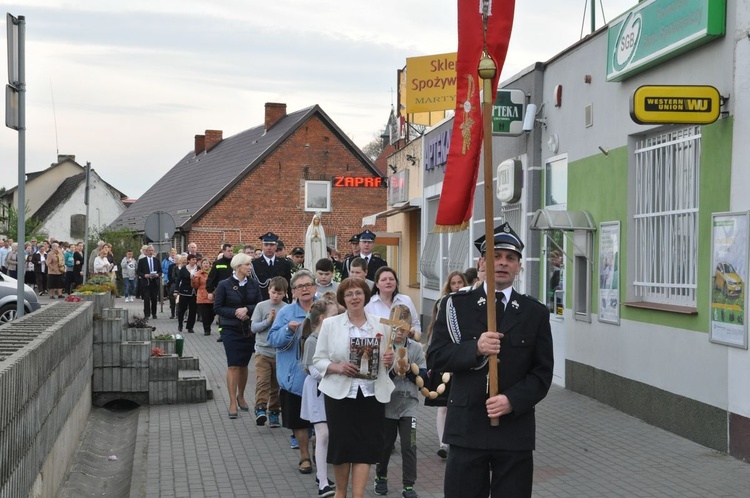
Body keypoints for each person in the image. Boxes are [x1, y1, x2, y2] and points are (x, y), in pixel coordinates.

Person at [426, 223, 554, 498]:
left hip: (513, 430)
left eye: (510, 258)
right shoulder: (455, 305)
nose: (503, 263)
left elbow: (542, 373)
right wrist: (475, 349)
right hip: (467, 425)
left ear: (519, 266)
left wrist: (512, 401)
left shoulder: (535, 313)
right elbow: (435, 357)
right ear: (482, 262)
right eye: (495, 256)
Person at [312, 277, 395, 498]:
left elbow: (391, 360)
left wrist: (390, 359)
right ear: (343, 299)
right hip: (340, 395)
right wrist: (336, 367)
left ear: (366, 296)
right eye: (349, 294)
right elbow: (318, 360)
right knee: (341, 449)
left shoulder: (382, 323)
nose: (354, 297)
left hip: (371, 394)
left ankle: (358, 496)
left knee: (365, 450)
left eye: (358, 293)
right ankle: (341, 493)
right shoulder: (331, 324)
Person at [267, 270, 319, 474]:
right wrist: (288, 329)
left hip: (323, 376)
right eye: (299, 286)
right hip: (295, 378)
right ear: (294, 292)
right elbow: (273, 341)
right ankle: (304, 455)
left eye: (308, 285)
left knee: (321, 419)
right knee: (299, 421)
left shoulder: (325, 307)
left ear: (315, 287)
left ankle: (319, 448)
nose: (305, 289)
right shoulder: (286, 312)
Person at [374, 305, 427, 498]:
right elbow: (375, 374)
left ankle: (408, 484)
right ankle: (381, 476)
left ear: (410, 328)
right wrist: (392, 369)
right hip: (388, 404)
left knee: (409, 444)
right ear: (389, 325)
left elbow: (423, 372)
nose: (398, 333)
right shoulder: (382, 345)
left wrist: (412, 373)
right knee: (386, 444)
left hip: (409, 405)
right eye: (395, 329)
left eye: (403, 329)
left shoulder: (415, 348)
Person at [424, 270, 468, 459]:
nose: (457, 286)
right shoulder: (443, 303)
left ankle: (458, 439)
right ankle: (443, 442)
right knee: (443, 405)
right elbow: (435, 330)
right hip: (445, 360)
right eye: (453, 283)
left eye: (460, 282)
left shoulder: (468, 303)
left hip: (462, 359)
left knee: (458, 402)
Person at [300, 299, 340, 498]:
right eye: (335, 316)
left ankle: (323, 475)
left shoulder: (335, 337)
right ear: (323, 319)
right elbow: (312, 369)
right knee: (322, 434)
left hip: (332, 390)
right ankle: (323, 482)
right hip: (317, 391)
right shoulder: (312, 340)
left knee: (328, 435)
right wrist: (335, 368)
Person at [213, 252, 261, 418]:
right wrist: (235, 312)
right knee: (233, 364)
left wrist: (247, 309)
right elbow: (217, 307)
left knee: (243, 365)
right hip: (230, 330)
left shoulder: (254, 284)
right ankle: (232, 402)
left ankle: (241, 396)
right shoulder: (224, 285)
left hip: (247, 330)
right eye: (247, 264)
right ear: (238, 266)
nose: (250, 267)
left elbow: (259, 305)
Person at [250, 276, 289, 428]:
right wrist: (268, 321)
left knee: (276, 384)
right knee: (263, 381)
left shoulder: (286, 308)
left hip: (279, 353)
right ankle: (260, 408)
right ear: (268, 291)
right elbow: (254, 327)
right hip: (263, 351)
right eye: (273, 292)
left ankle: (274, 411)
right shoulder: (261, 306)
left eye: (279, 294)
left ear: (285, 293)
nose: (275, 296)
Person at [365, 267, 421, 338]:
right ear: (377, 284)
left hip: (403, 346)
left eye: (391, 279)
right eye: (383, 280)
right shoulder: (368, 303)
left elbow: (416, 324)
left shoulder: (406, 300)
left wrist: (412, 333)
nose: (388, 282)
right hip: (379, 345)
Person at [252, 232, 293, 301]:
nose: (269, 248)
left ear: (276, 246)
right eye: (266, 245)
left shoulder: (284, 263)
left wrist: (291, 301)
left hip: (280, 301)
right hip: (262, 301)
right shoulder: (255, 264)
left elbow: (288, 285)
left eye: (271, 245)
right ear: (262, 246)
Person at [207, 243, 235, 342]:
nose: (231, 253)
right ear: (223, 251)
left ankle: (232, 332)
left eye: (232, 251)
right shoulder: (218, 263)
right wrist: (210, 291)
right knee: (222, 315)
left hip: (234, 292)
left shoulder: (235, 263)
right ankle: (222, 333)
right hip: (221, 292)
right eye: (229, 251)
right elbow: (211, 278)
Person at [136, 245, 162, 320]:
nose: (151, 252)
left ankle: (154, 313)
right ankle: (146, 314)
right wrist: (144, 275)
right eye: (149, 251)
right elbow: (138, 271)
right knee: (146, 298)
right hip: (146, 282)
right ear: (146, 252)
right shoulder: (142, 261)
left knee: (154, 298)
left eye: (152, 251)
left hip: (154, 281)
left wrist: (158, 274)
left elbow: (160, 271)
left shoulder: (156, 260)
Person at [175, 254, 199, 333]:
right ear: (189, 260)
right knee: (182, 309)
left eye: (195, 260)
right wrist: (176, 290)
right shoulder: (183, 269)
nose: (194, 261)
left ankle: (190, 327)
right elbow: (178, 280)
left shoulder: (198, 269)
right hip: (184, 291)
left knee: (193, 310)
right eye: (193, 260)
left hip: (194, 292)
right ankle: (180, 324)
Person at [191, 258, 215, 335]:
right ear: (201, 265)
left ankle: (209, 324)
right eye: (204, 263)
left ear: (210, 265)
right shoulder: (198, 273)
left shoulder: (213, 273)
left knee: (212, 314)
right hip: (202, 296)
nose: (206, 265)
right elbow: (195, 286)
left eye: (207, 263)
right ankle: (207, 330)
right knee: (205, 315)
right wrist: (193, 280)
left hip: (212, 295)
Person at [162, 248, 177, 317]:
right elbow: (162, 268)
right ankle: (172, 310)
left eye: (174, 252)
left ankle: (176, 312)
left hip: (175, 282)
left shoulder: (178, 262)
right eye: (171, 252)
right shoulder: (166, 261)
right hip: (167, 279)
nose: (173, 253)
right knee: (170, 295)